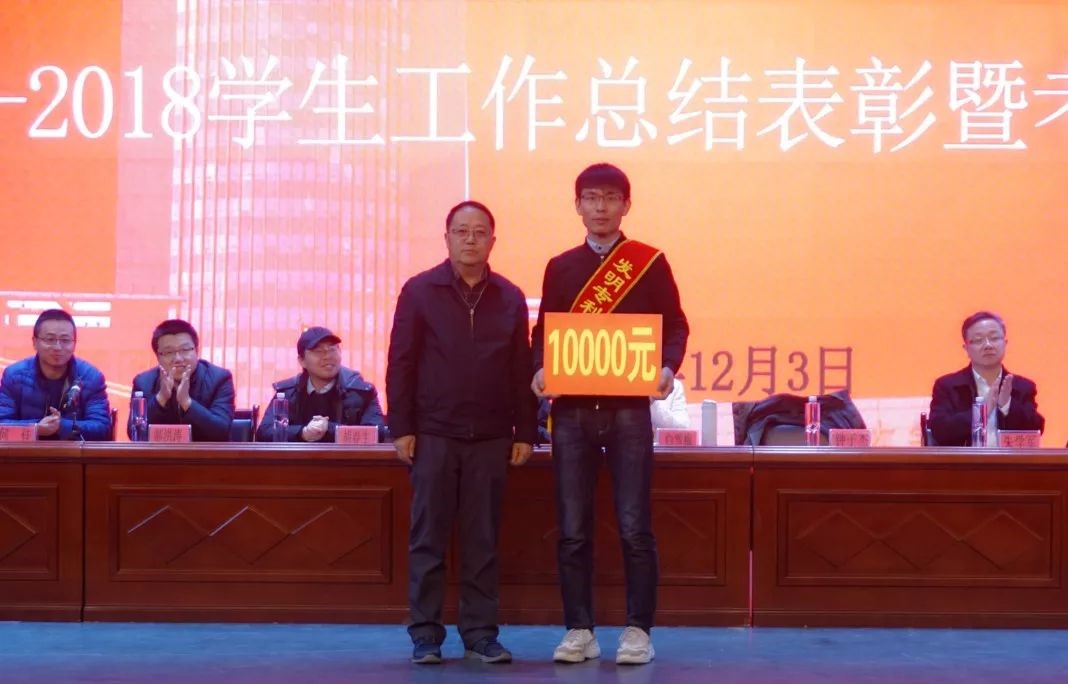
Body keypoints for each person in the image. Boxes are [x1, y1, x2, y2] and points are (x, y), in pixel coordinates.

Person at [531, 163, 689, 665]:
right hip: (573, 413)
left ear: (626, 205)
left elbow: (676, 326)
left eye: (610, 198)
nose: (600, 207)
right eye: (591, 198)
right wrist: (539, 369)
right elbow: (543, 335)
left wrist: (667, 367)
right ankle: (579, 629)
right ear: (577, 205)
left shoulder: (649, 263)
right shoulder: (560, 266)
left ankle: (638, 630)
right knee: (572, 528)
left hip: (628, 412)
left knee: (634, 526)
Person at [386, 200, 537, 665]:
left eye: (479, 232)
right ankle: (425, 635)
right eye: (461, 231)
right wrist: (402, 427)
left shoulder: (510, 297)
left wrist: (525, 430)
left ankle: (480, 635)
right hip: (433, 434)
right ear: (447, 237)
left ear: (493, 240)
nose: (470, 240)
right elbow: (401, 363)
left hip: (491, 437)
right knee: (428, 539)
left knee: (482, 541)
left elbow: (520, 369)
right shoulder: (419, 291)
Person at [928, 311, 1044, 446]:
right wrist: (982, 411)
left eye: (994, 338)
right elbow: (939, 431)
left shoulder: (1022, 387)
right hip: (964, 460)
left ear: (1005, 343)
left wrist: (1007, 405)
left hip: (1009, 459)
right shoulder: (948, 386)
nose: (988, 345)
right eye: (978, 340)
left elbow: (1036, 429)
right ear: (966, 348)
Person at [255, 326, 387, 442]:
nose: (328, 356)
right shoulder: (288, 393)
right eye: (318, 351)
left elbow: (377, 433)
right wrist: (303, 432)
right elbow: (264, 432)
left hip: (346, 462)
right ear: (302, 361)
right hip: (298, 462)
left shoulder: (361, 392)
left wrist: (328, 429)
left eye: (332, 349)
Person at [0, 309, 111, 440]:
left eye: (65, 340)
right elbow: (2, 424)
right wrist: (36, 428)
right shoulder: (14, 376)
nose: (58, 347)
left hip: (73, 452)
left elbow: (102, 428)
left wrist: (61, 426)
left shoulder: (90, 377)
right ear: (35, 342)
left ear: (74, 343)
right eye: (50, 339)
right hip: (26, 452)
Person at [129, 319, 235, 441]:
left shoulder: (219, 379)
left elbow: (222, 432)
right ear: (158, 357)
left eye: (185, 350)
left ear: (196, 351)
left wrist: (186, 402)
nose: (178, 359)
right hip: (159, 453)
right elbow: (134, 434)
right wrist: (161, 398)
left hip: (206, 453)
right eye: (169, 352)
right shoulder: (143, 383)